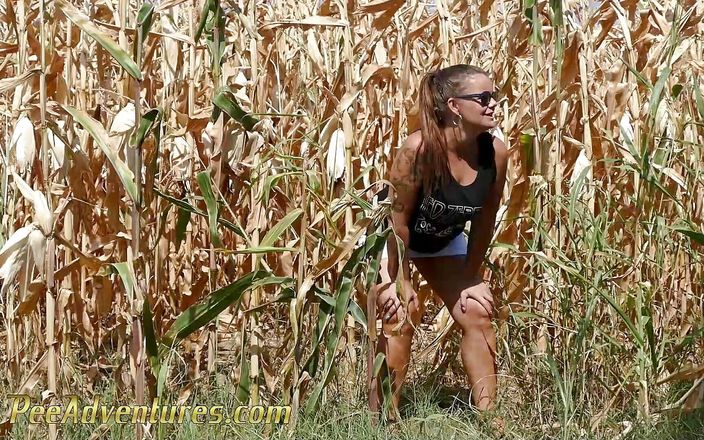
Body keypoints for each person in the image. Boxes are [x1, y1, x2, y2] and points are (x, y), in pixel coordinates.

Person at [373, 64, 509, 419]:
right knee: (400, 313)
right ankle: (381, 420)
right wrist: (400, 281)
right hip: (391, 240)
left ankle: (490, 420)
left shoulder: (496, 153)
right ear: (454, 106)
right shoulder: (418, 150)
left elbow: (484, 220)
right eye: (483, 98)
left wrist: (470, 277)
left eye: (494, 96)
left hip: (442, 237)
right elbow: (397, 222)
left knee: (476, 309)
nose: (493, 103)